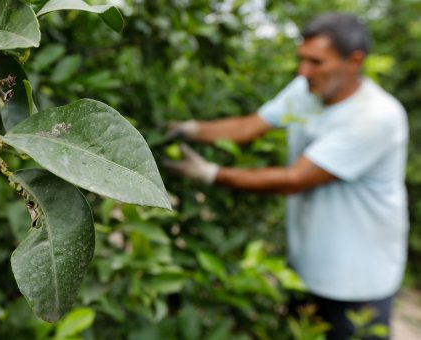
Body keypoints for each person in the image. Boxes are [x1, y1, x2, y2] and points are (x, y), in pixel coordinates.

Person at [165, 13, 408, 340]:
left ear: (354, 61)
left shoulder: (375, 116)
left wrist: (210, 174)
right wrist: (188, 130)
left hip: (356, 280)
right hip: (306, 265)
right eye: (301, 59)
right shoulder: (307, 89)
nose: (303, 71)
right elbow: (250, 126)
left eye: (316, 62)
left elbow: (295, 179)